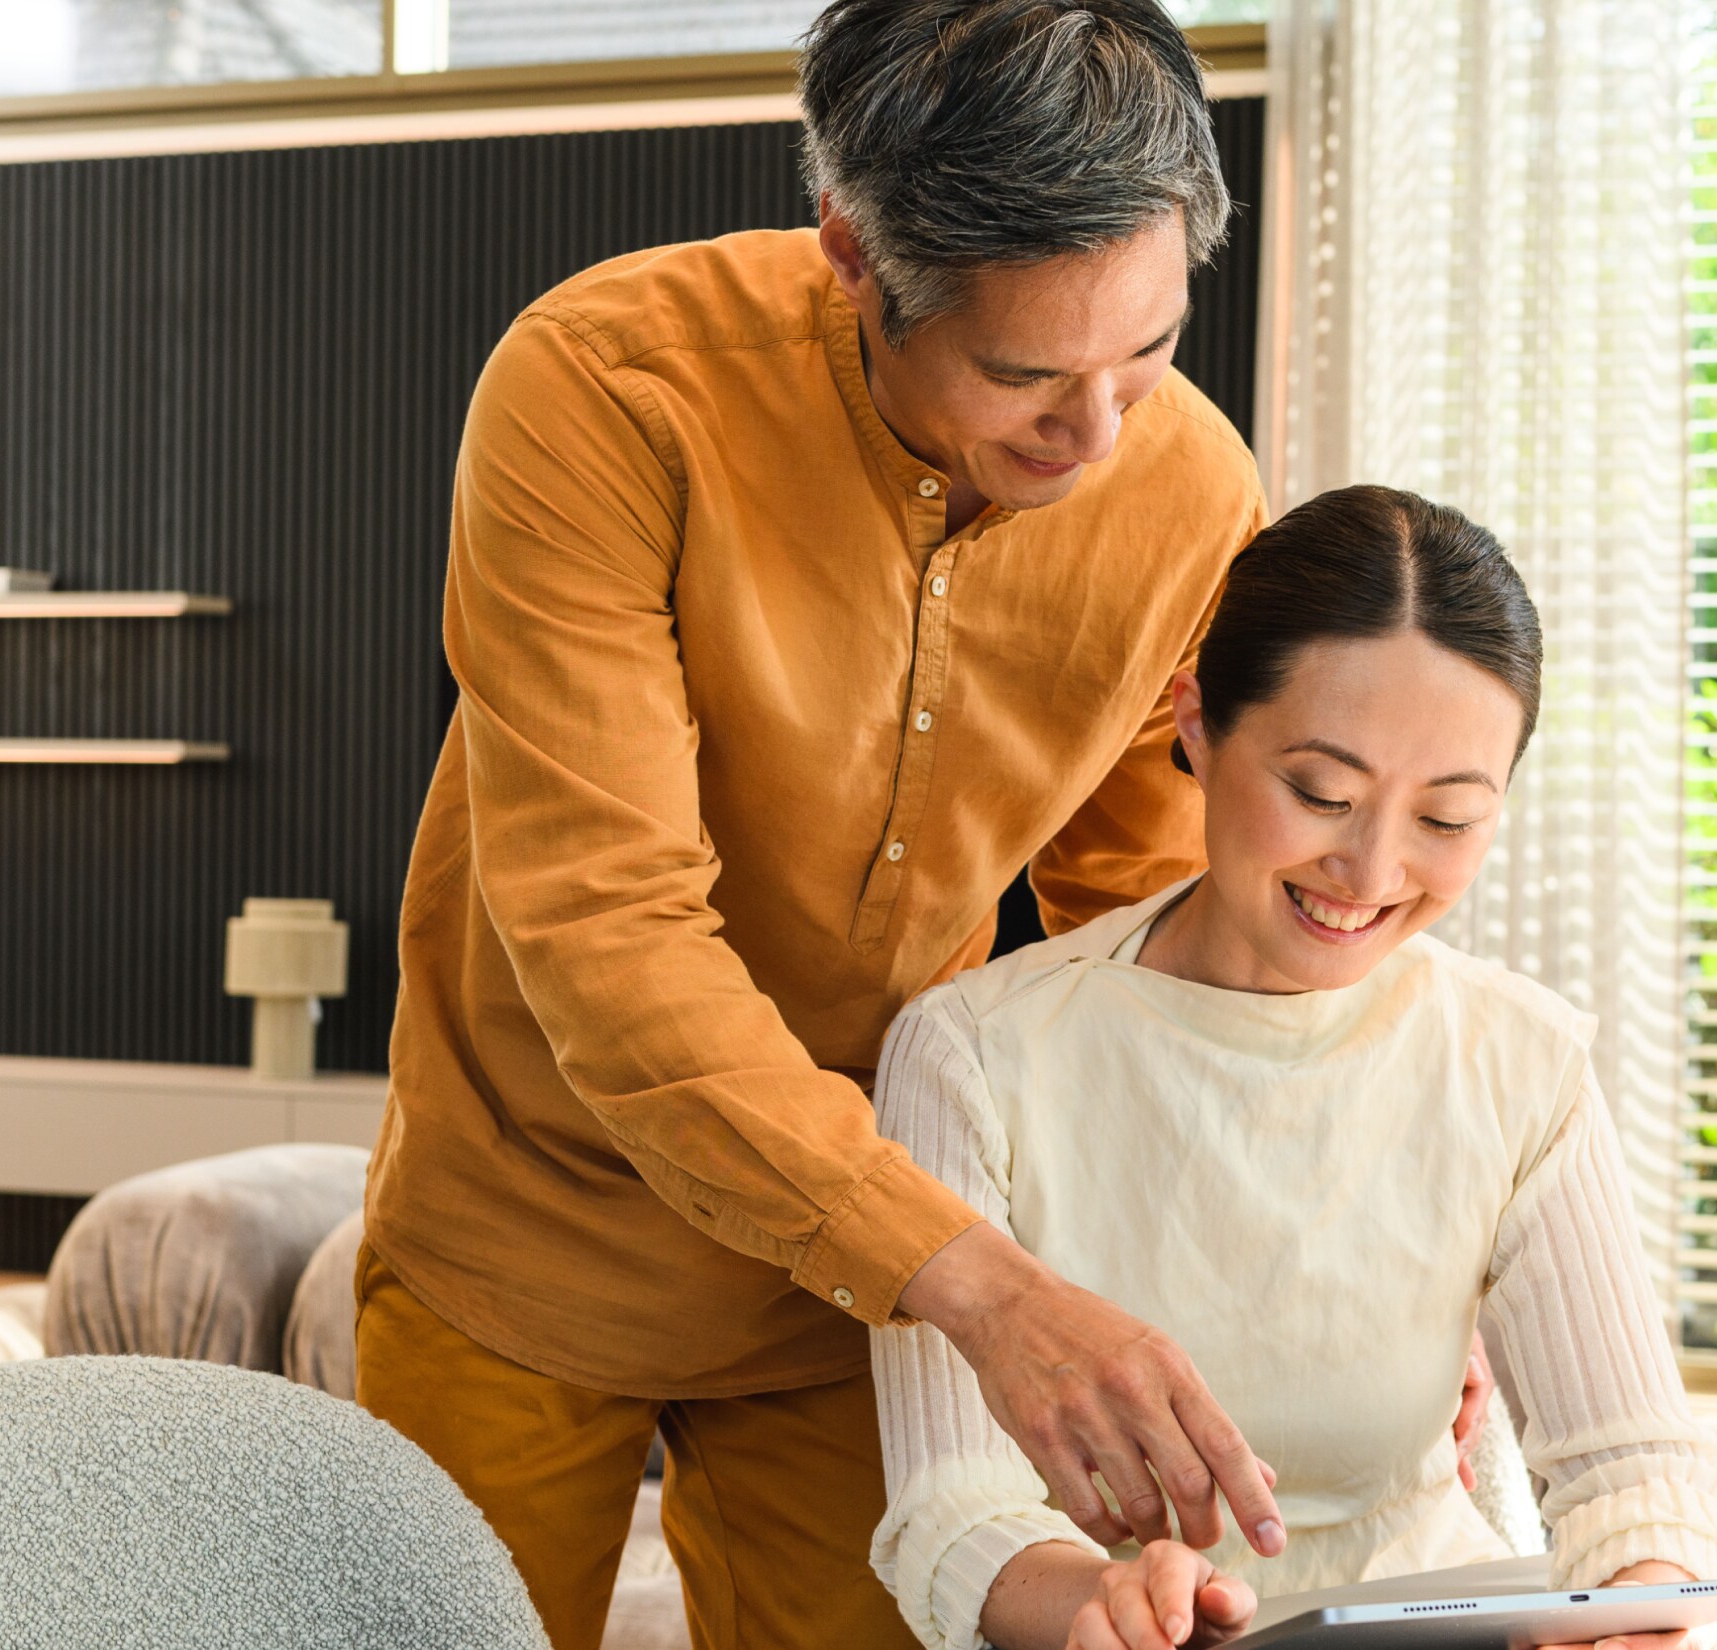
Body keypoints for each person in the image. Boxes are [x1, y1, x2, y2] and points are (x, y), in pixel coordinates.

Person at [352, 5, 1315, 1646]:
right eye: (1025, 376)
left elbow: (1144, 963)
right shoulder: (607, 389)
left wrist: (1361, 1262)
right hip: (528, 1233)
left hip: (862, 1303)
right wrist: (987, 1286)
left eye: (1146, 356)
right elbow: (612, 937)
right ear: (854, 255)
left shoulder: (1191, 494)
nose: (1096, 440)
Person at [869, 486, 1717, 1650]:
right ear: (1195, 723)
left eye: (1447, 819)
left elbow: (1631, 1461)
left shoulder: (1518, 1057)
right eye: (1321, 794)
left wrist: (1652, 1599)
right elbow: (953, 1509)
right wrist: (1093, 1601)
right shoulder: (973, 1053)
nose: (1371, 869)